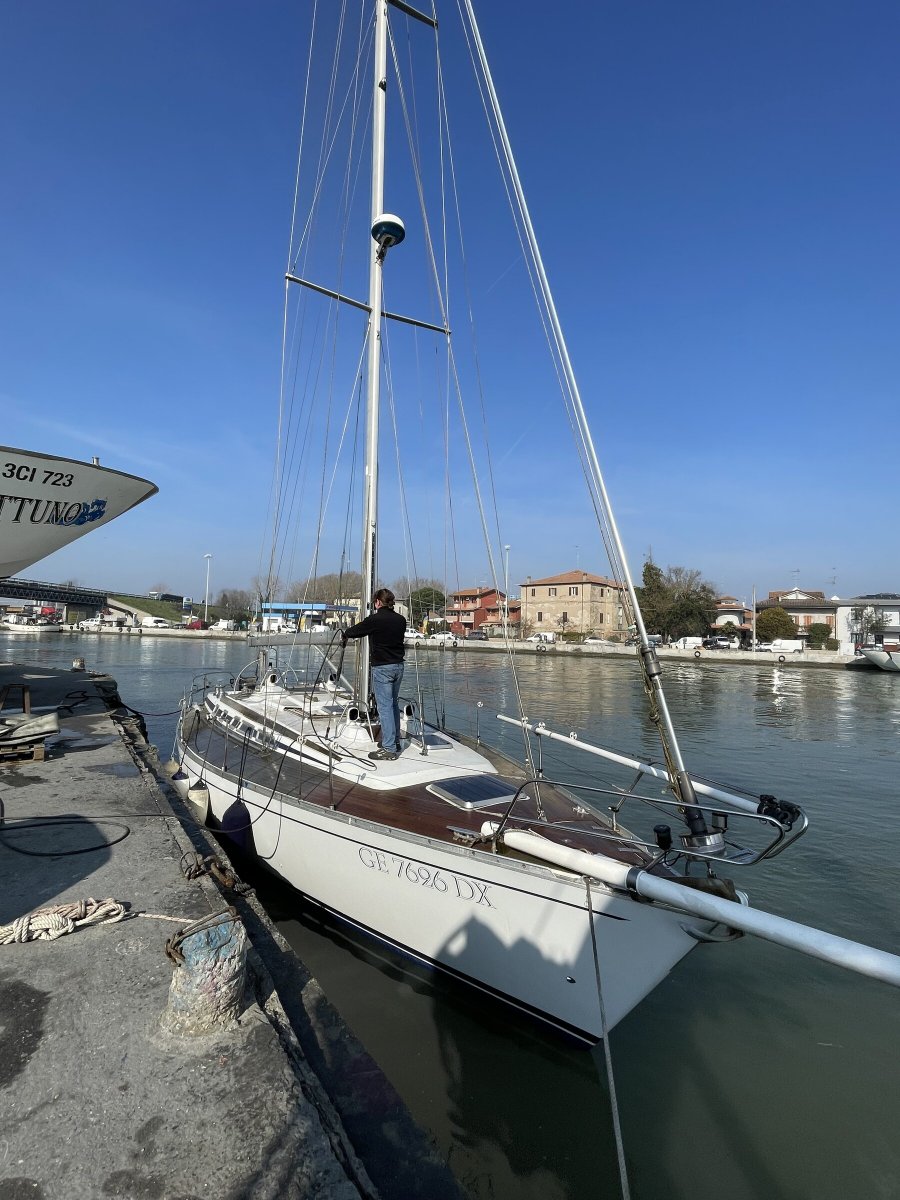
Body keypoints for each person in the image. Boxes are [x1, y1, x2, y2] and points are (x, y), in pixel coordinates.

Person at [342, 588, 407, 760]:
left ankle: (389, 749)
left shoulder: (375, 619)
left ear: (378, 602)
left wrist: (346, 633)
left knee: (384, 707)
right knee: (393, 705)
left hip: (383, 668)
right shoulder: (401, 620)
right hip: (398, 666)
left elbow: (357, 630)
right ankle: (394, 741)